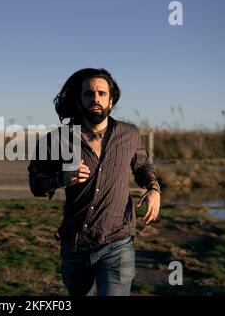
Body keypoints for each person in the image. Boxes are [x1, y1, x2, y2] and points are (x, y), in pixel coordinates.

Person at [27, 68, 161, 296]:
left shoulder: (129, 134)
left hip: (117, 242)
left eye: (101, 93)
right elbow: (36, 184)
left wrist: (153, 188)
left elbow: (143, 166)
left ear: (111, 99)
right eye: (89, 94)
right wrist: (62, 179)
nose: (96, 98)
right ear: (80, 99)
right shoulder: (57, 139)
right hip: (75, 245)